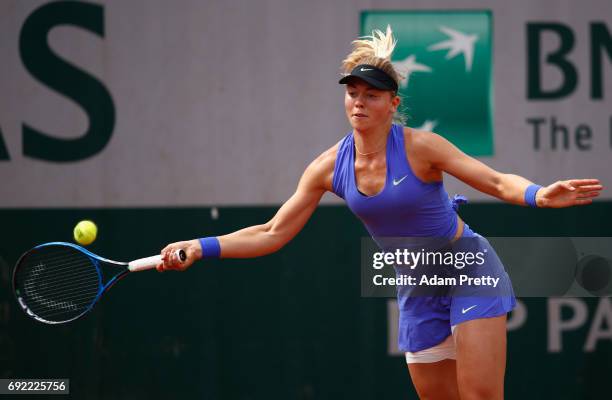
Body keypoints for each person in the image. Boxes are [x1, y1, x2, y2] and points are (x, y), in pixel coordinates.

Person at [157, 26, 603, 400]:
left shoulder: (421, 147)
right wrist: (201, 245)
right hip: (414, 280)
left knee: (480, 397)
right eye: (352, 94)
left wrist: (539, 194)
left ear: (392, 103)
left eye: (371, 95)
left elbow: (496, 181)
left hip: (466, 264)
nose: (358, 103)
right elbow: (273, 231)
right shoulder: (328, 167)